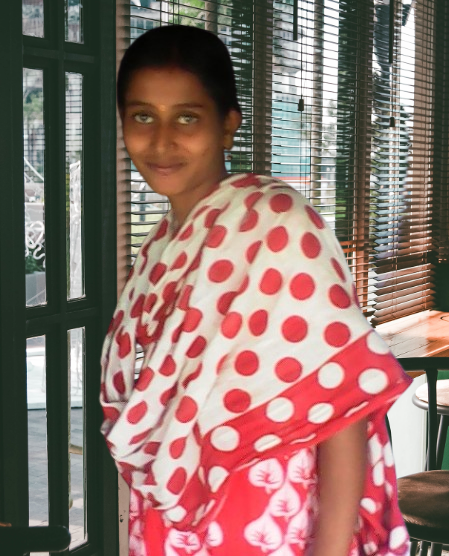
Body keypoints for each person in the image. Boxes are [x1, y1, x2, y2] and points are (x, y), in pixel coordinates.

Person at [100, 25, 413, 556]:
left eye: (187, 117)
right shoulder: (160, 248)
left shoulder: (277, 224)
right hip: (173, 518)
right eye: (143, 116)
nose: (162, 141)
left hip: (268, 516)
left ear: (228, 125)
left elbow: (342, 404)